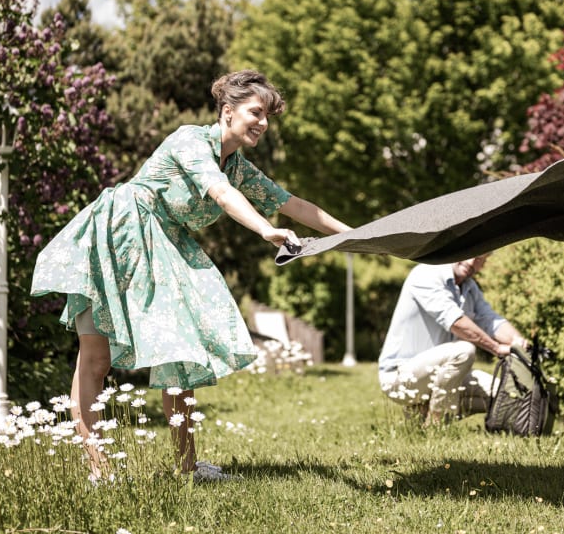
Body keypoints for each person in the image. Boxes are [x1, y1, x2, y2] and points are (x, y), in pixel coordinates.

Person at [31, 70, 352, 481]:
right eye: (256, 112)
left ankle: (187, 467)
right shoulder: (191, 140)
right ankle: (99, 470)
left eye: (268, 115)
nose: (264, 123)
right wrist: (264, 229)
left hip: (165, 245)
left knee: (181, 349)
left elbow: (295, 205)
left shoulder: (237, 166)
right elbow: (219, 192)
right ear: (227, 111)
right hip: (121, 231)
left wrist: (357, 236)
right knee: (96, 357)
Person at [377, 255, 529, 425]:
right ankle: (436, 426)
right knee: (464, 350)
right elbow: (455, 322)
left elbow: (490, 319)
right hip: (401, 377)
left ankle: (422, 413)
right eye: (471, 254)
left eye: (480, 259)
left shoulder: (470, 288)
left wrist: (517, 340)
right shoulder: (426, 274)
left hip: (440, 374)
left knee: (505, 397)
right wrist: (496, 348)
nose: (472, 262)